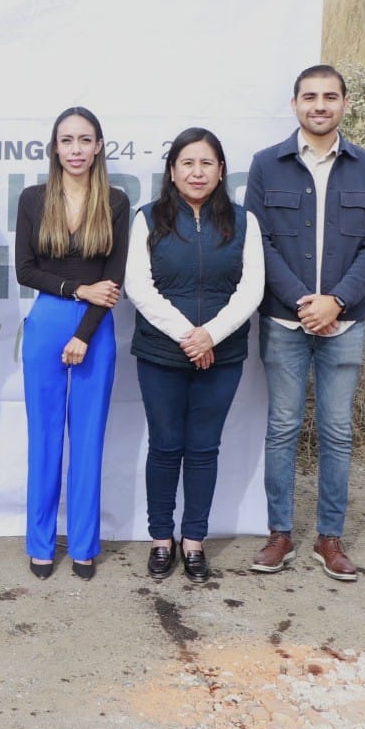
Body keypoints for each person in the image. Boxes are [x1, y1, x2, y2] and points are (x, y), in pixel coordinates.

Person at [245, 64, 365, 582]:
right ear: (295, 104)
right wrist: (306, 302)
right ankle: (280, 533)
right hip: (285, 322)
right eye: (310, 96)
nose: (320, 105)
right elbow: (257, 243)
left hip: (345, 325)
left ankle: (330, 538)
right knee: (282, 427)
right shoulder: (267, 165)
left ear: (345, 103)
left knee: (336, 431)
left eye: (330, 96)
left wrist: (337, 302)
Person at [126, 129, 264, 584]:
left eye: (207, 163)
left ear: (221, 170)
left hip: (220, 356)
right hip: (162, 353)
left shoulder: (244, 222)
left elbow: (251, 290)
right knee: (166, 447)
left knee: (204, 448)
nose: (197, 172)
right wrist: (189, 335)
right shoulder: (148, 219)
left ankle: (194, 541)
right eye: (187, 163)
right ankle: (161, 539)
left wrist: (212, 337)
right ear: (172, 171)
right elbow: (139, 288)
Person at [15, 106, 129, 581]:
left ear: (99, 146)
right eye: (67, 140)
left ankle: (83, 543)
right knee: (44, 439)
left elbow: (115, 279)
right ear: (55, 147)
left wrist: (84, 334)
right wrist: (77, 291)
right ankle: (40, 543)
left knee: (87, 441)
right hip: (46, 322)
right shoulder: (33, 198)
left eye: (85, 140)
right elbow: (26, 270)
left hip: (96, 329)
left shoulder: (117, 201)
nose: (76, 150)